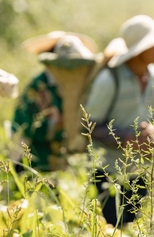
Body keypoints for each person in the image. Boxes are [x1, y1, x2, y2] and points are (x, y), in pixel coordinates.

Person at [84, 15, 154, 227]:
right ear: (139, 50)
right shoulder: (109, 80)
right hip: (107, 172)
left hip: (140, 170)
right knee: (111, 231)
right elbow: (89, 125)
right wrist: (130, 140)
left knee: (131, 231)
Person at [12, 31, 99, 172]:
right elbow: (28, 127)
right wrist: (60, 123)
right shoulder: (39, 86)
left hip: (59, 155)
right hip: (32, 152)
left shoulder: (78, 86)